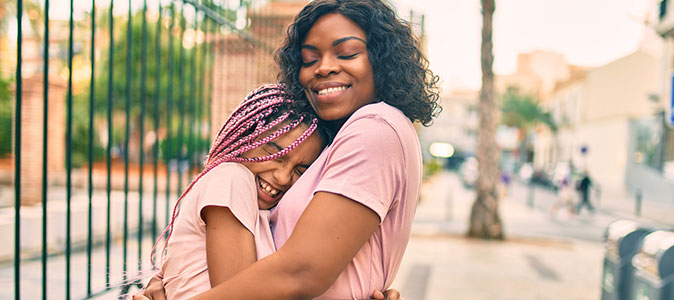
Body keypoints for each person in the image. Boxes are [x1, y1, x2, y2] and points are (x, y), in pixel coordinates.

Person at [142, 0, 440, 299]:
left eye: (347, 53)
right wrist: (170, 276)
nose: (323, 67)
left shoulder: (375, 126)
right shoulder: (331, 143)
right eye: (309, 60)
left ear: (381, 58)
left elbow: (300, 272)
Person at [152, 84, 325, 299]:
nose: (283, 177)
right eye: (276, 154)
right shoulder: (231, 179)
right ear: (247, 137)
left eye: (300, 170)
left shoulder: (259, 203)